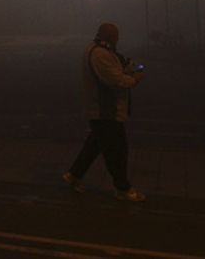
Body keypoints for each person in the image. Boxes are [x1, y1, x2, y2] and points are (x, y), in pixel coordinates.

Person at [62, 22, 147, 202]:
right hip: (105, 111)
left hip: (103, 110)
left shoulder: (98, 50)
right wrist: (134, 78)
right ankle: (122, 187)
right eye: (115, 36)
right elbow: (115, 80)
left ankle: (73, 175)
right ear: (108, 36)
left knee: (95, 145)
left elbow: (113, 72)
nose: (118, 39)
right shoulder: (100, 54)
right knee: (117, 150)